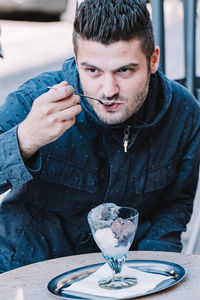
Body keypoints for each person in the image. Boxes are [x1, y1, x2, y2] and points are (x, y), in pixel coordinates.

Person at [0, 0, 200, 273]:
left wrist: (153, 277)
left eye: (124, 70)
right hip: (25, 274)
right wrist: (24, 140)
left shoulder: (184, 113)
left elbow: (172, 210)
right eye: (92, 70)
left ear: (153, 60)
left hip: (122, 280)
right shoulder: (34, 101)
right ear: (76, 58)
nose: (108, 90)